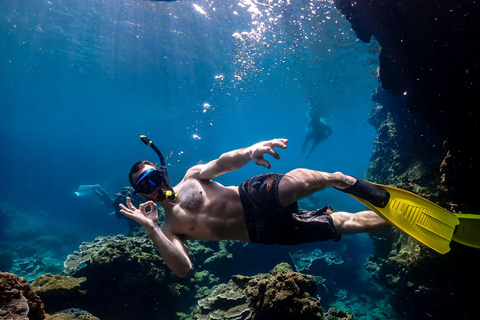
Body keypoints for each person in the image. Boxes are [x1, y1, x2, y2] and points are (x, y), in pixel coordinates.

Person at [119, 138, 389, 277]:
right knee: (340, 225)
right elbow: (183, 269)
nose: (153, 188)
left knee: (295, 185)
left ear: (162, 172)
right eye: (145, 187)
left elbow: (223, 163)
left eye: (153, 178)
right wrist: (151, 228)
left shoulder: (191, 177)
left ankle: (339, 179)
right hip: (261, 231)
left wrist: (250, 152)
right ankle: (392, 220)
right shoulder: (168, 229)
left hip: (253, 197)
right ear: (142, 195)